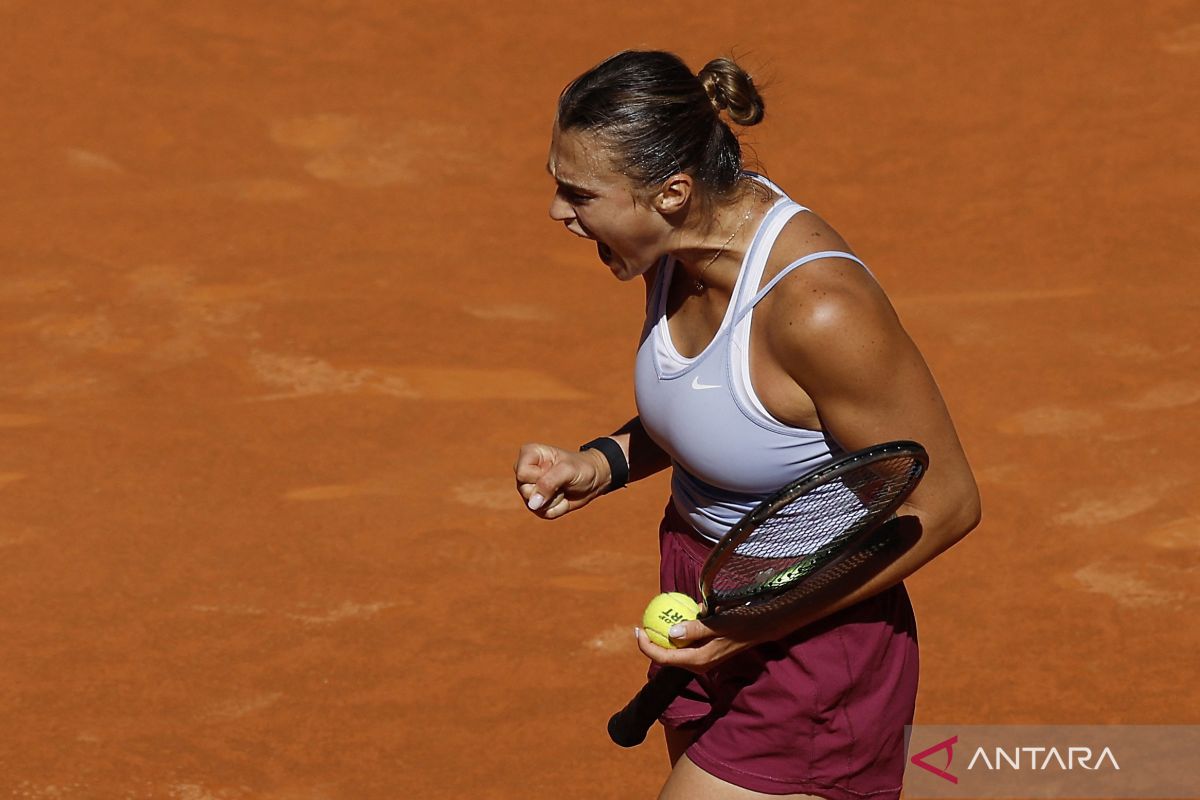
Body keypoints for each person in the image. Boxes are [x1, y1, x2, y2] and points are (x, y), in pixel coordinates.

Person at [513, 50, 981, 800]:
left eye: (579, 193)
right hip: (707, 603)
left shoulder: (819, 308)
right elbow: (727, 410)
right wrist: (602, 463)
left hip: (814, 637)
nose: (557, 211)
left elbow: (949, 500)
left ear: (671, 191)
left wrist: (760, 625)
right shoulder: (679, 246)